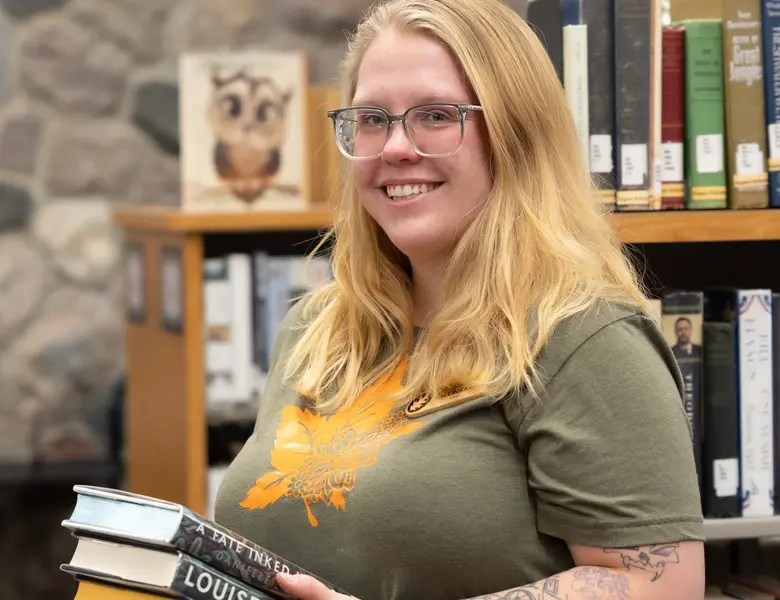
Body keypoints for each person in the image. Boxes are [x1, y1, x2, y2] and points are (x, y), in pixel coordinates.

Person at [213, 0, 706, 598]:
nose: (395, 146)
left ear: (516, 135)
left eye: (436, 115)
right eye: (371, 118)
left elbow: (659, 587)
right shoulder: (314, 329)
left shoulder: (584, 338)